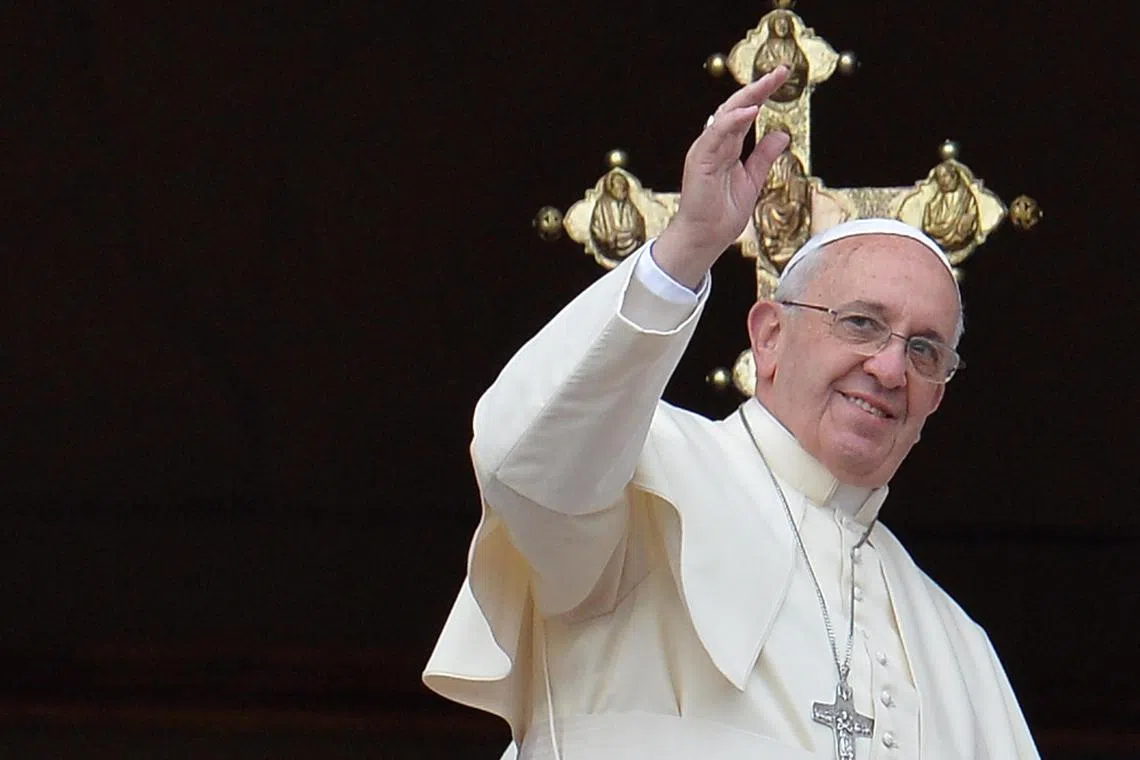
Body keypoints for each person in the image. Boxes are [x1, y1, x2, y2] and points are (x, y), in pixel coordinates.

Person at [424, 67, 1039, 760]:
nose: (891, 369)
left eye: (925, 350)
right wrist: (685, 249)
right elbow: (523, 456)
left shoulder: (960, 651)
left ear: (939, 394)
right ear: (770, 336)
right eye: (861, 323)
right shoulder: (642, 478)